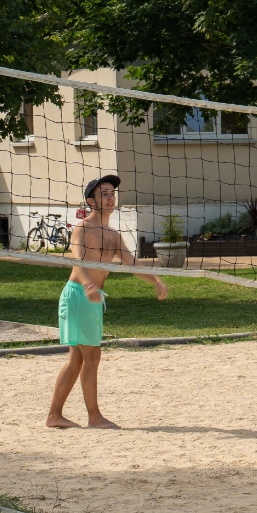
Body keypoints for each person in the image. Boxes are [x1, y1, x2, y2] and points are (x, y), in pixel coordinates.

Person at [46, 175, 168, 429]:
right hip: (79, 293)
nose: (111, 197)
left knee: (78, 359)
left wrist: (155, 280)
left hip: (91, 296)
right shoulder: (83, 228)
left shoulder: (113, 234)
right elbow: (77, 260)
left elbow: (131, 264)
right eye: (104, 194)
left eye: (112, 193)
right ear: (91, 201)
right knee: (91, 356)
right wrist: (90, 285)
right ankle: (93, 417)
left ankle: (55, 416)